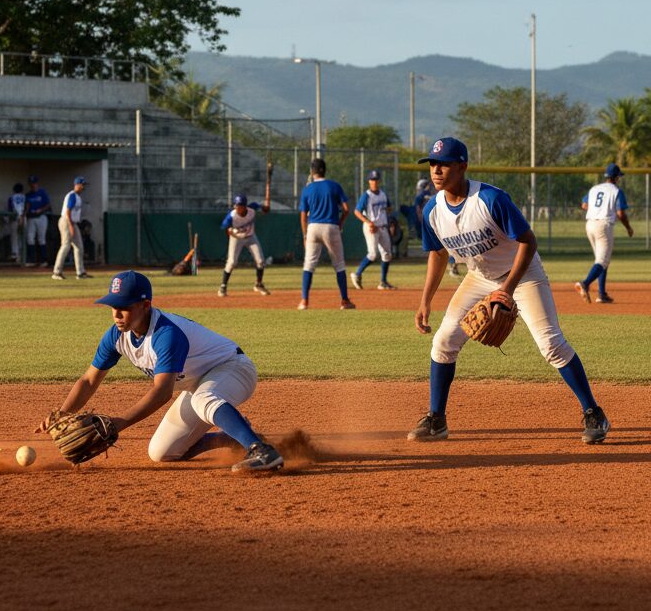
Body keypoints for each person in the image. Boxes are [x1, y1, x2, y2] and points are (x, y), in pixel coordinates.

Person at [408, 137, 610, 446]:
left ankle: (593, 412)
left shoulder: (490, 199)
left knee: (550, 344)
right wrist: (425, 300)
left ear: (462, 166)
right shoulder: (431, 211)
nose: (437, 170)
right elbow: (437, 254)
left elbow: (528, 242)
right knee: (444, 341)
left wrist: (507, 290)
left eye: (444, 164)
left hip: (523, 273)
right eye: (433, 164)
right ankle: (436, 420)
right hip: (479, 278)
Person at [35, 271, 283, 472]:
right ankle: (231, 435)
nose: (116, 313)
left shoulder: (167, 334)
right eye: (112, 305)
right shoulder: (116, 336)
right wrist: (62, 414)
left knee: (203, 399)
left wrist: (118, 424)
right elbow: (89, 380)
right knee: (162, 452)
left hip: (232, 369)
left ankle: (261, 450)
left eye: (124, 306)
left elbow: (162, 392)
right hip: (198, 384)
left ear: (145, 305)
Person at [297, 157, 355, 310]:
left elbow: (303, 215)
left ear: (312, 171)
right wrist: (340, 222)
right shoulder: (334, 186)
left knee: (308, 265)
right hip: (331, 226)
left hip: (313, 227)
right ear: (325, 170)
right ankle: (344, 301)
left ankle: (304, 301)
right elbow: (347, 209)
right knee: (339, 265)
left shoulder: (308, 189)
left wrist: (304, 234)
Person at [576, 163, 634, 305]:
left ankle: (602, 294)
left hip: (590, 225)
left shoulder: (594, 188)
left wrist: (597, 209)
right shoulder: (616, 190)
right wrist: (628, 228)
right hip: (603, 226)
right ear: (616, 178)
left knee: (601, 260)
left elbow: (584, 205)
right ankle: (585, 283)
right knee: (602, 261)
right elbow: (621, 213)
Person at [219, 191, 271, 297]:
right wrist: (230, 232)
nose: (238, 208)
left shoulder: (252, 208)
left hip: (251, 237)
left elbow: (264, 209)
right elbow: (224, 227)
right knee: (232, 262)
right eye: (236, 205)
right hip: (236, 238)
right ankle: (223, 287)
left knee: (260, 261)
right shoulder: (231, 216)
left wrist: (266, 208)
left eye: (240, 206)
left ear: (245, 206)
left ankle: (259, 284)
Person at [351, 169, 395, 291]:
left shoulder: (383, 194)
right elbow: (356, 211)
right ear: (369, 181)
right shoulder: (366, 195)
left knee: (387, 254)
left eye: (376, 179)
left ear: (379, 181)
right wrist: (369, 222)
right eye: (372, 179)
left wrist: (387, 215)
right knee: (373, 254)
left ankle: (383, 282)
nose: (374, 182)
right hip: (371, 227)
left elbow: (389, 208)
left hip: (383, 227)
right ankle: (357, 274)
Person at [53, 175, 91, 280]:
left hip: (72, 222)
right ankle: (57, 272)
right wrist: (70, 226)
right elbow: (68, 212)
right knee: (65, 245)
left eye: (84, 185)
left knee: (79, 247)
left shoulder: (78, 197)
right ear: (77, 185)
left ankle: (80, 272)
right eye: (82, 184)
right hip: (66, 221)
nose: (83, 187)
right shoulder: (72, 195)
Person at [24, 175, 52, 267]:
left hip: (41, 217)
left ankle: (44, 260)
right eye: (31, 183)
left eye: (34, 183)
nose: (33, 185)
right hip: (31, 217)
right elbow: (27, 207)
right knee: (30, 238)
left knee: (41, 239)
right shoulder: (28, 195)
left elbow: (48, 205)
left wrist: (41, 209)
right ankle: (32, 260)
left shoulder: (42, 192)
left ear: (37, 183)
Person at [6, 183, 26, 262]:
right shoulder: (25, 197)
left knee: (15, 237)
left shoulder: (12, 197)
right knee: (22, 237)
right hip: (24, 218)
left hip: (15, 219)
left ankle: (15, 254)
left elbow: (10, 209)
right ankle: (22, 256)